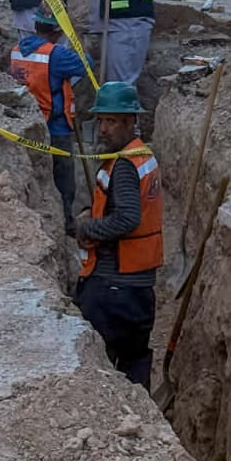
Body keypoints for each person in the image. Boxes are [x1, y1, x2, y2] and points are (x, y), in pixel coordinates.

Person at [74, 81, 163, 387]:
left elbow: (126, 219)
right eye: (100, 121)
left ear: (129, 122)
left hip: (114, 287)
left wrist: (87, 228)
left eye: (111, 121)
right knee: (135, 362)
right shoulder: (140, 156)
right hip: (137, 287)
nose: (103, 129)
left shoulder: (124, 166)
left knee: (98, 365)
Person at [10, 10, 87, 235]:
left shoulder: (16, 51)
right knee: (64, 181)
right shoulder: (56, 55)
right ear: (57, 32)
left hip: (29, 124)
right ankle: (66, 224)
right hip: (56, 126)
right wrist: (74, 42)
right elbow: (85, 63)